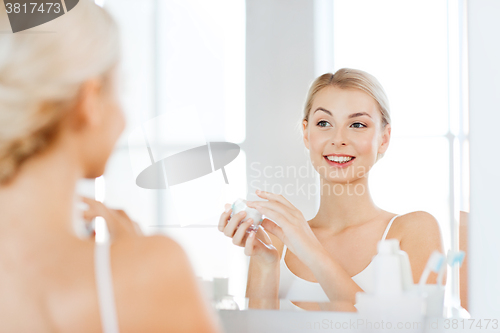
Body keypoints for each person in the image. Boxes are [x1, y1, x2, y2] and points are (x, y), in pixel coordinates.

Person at [0, 1, 220, 332]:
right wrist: (135, 255)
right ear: (89, 100)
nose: (121, 117)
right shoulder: (151, 272)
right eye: (120, 88)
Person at [219, 69, 445, 311]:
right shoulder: (277, 241)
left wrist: (311, 249)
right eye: (324, 123)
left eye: (357, 124)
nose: (338, 139)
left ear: (384, 138)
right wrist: (266, 264)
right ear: (306, 134)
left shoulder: (414, 231)